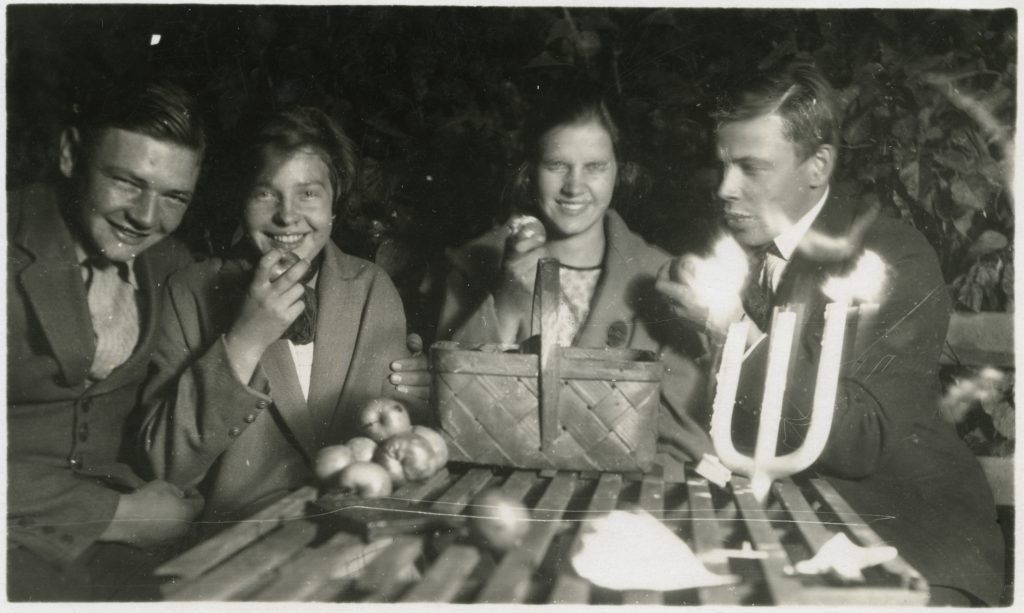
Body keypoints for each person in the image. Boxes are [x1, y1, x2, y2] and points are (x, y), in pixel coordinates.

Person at [655, 58, 1004, 606]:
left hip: (907, 536)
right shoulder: (737, 247)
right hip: (784, 522)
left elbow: (860, 439)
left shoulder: (890, 257)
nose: (725, 188)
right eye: (721, 165)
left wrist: (730, 329)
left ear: (817, 166)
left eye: (751, 167)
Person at [139, 107, 421, 525]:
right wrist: (245, 341)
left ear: (334, 204)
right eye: (265, 193)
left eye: (308, 193)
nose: (287, 215)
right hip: (235, 542)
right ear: (240, 199)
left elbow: (400, 443)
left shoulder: (371, 288)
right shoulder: (189, 291)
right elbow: (165, 466)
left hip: (357, 527)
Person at [432, 84, 712, 473]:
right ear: (529, 171)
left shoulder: (660, 278)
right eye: (557, 165)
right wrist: (507, 302)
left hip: (623, 495)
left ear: (620, 170)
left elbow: (683, 440)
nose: (574, 186)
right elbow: (452, 415)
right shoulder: (475, 264)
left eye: (595, 167)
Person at [7, 80, 207, 601]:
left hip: (105, 559)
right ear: (72, 153)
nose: (145, 217)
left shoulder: (171, 265)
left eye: (173, 197)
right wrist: (115, 515)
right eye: (126, 181)